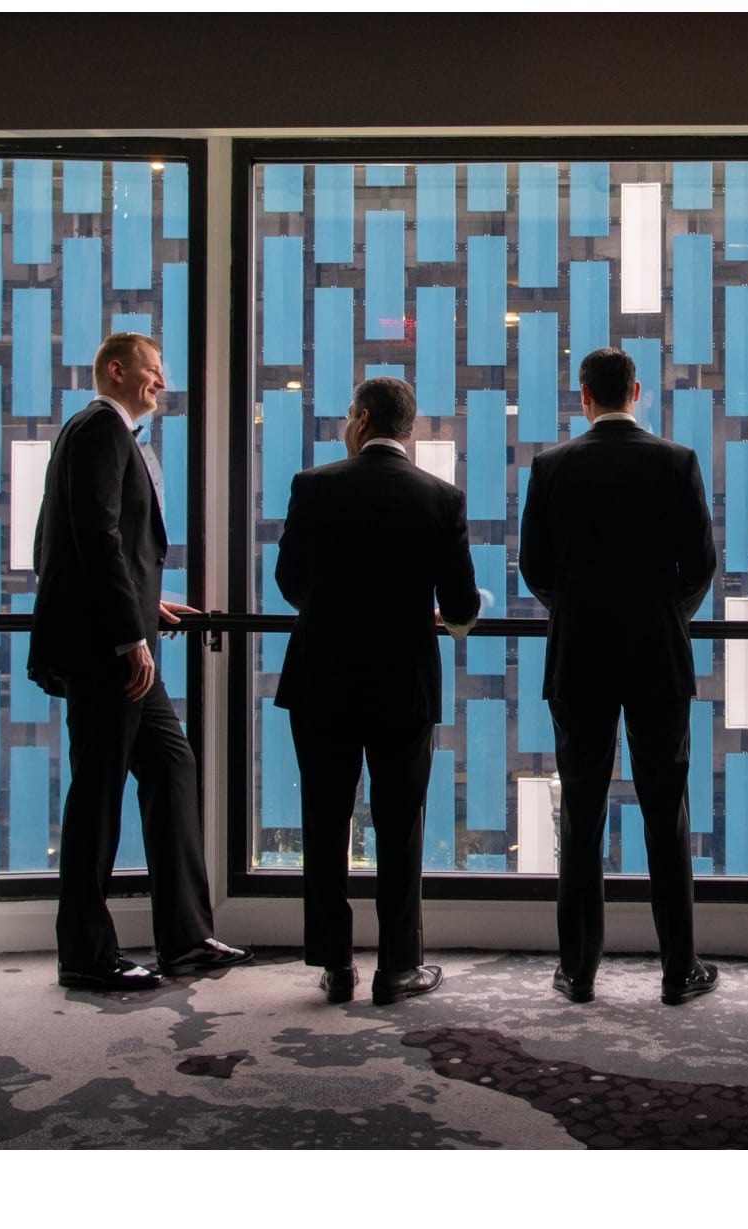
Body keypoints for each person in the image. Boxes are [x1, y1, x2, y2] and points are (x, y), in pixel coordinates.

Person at [27, 332, 249, 990]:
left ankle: (185, 937)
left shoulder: (103, 435)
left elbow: (85, 548)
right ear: (117, 370)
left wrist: (152, 607)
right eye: (153, 371)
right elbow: (92, 536)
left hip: (116, 642)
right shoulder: (100, 429)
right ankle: (86, 955)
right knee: (95, 796)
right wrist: (131, 636)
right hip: (108, 655)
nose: (162, 382)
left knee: (171, 766)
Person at [518, 347, 720, 1006]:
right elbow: (700, 565)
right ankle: (677, 968)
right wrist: (664, 613)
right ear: (636, 391)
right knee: (667, 810)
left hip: (579, 655)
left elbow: (535, 567)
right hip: (657, 656)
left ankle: (578, 969)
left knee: (581, 811)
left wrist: (578, 612)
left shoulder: (551, 467)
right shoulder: (676, 461)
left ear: (584, 395)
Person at [273, 377, 479, 1006]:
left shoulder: (315, 486)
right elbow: (462, 605)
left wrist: (334, 610)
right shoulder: (441, 498)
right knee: (399, 827)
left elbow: (290, 581)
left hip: (323, 678)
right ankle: (397, 969)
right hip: (403, 681)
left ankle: (335, 965)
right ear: (408, 429)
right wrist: (444, 620)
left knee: (326, 823)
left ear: (361, 419)